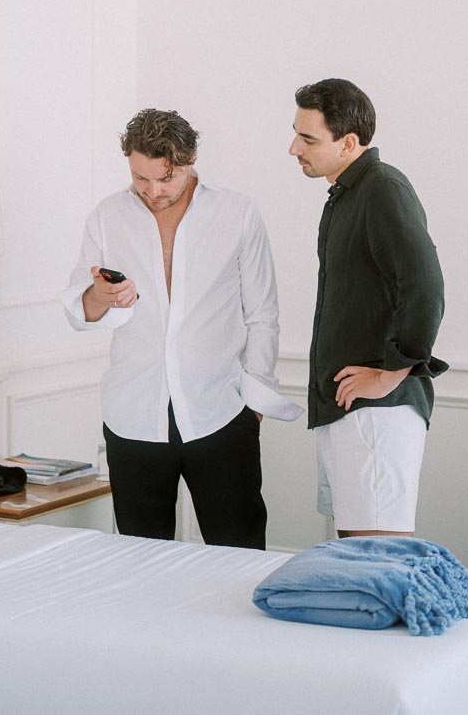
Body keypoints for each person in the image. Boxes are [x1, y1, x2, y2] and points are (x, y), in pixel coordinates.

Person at [63, 107, 301, 548]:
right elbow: (81, 311)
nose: (152, 191)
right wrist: (102, 294)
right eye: (140, 178)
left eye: (165, 178)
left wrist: (255, 400)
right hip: (133, 416)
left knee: (239, 553)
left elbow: (262, 314)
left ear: (190, 163)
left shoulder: (238, 213)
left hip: (223, 413)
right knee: (140, 559)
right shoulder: (106, 216)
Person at [290, 78, 447, 538]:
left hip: (377, 414)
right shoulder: (347, 195)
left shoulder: (382, 188)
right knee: (358, 556)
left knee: (375, 557)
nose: (294, 147)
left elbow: (425, 285)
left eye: (308, 138)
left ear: (349, 142)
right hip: (350, 411)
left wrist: (391, 373)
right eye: (296, 132)